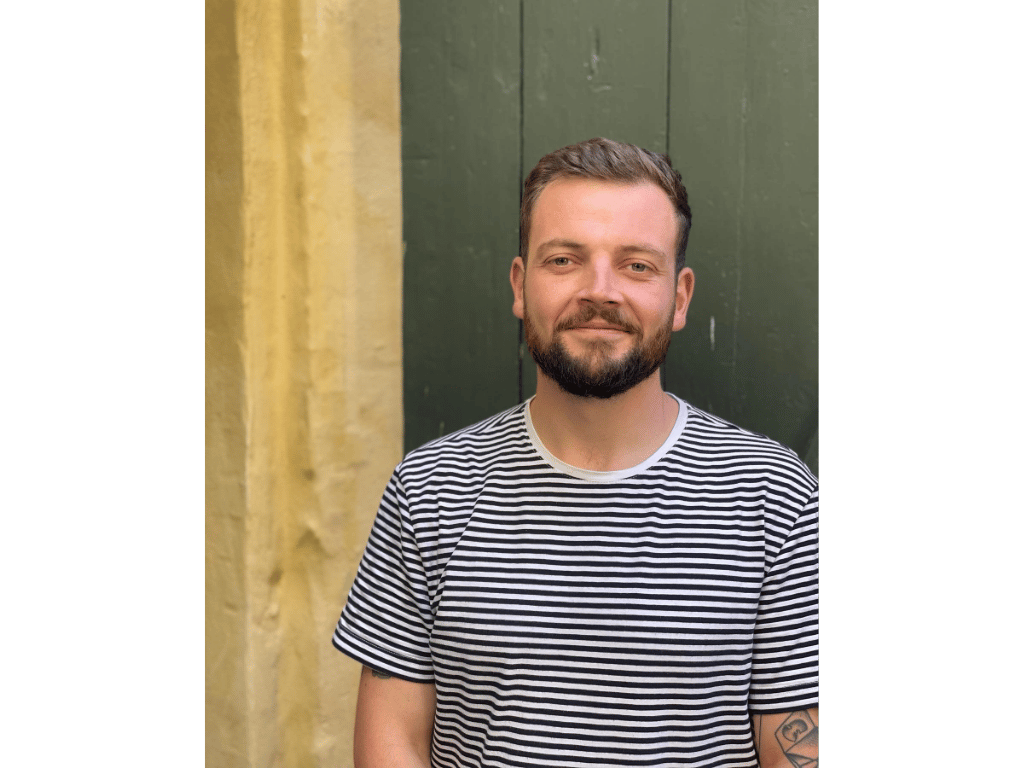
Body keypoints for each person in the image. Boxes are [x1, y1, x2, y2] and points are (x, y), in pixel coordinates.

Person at [331, 137, 819, 768]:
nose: (600, 291)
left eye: (637, 265)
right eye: (564, 260)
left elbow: (796, 749)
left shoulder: (774, 494)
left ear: (679, 297)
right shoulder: (429, 489)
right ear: (519, 284)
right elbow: (391, 741)